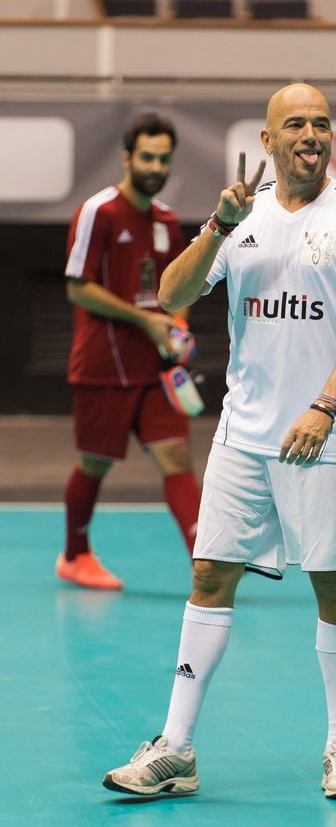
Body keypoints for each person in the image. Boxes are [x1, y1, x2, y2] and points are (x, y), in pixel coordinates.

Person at [102, 83, 336, 800]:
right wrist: (216, 229)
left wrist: (324, 405)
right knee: (209, 576)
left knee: (333, 584)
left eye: (321, 124)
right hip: (245, 434)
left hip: (326, 435)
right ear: (267, 140)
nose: (311, 134)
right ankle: (176, 748)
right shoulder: (244, 214)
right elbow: (170, 296)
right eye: (295, 123)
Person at [56, 113, 201, 591]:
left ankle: (206, 565)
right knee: (94, 462)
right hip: (103, 365)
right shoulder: (98, 211)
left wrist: (176, 328)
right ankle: (75, 556)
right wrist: (147, 321)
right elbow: (78, 289)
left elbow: (172, 295)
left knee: (177, 458)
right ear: (127, 158)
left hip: (156, 369)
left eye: (163, 158)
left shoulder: (165, 220)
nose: (155, 165)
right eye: (147, 156)